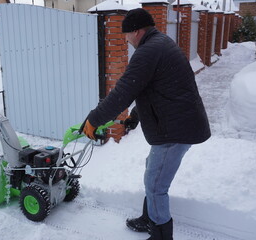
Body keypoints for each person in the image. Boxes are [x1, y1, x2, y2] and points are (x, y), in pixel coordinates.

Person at [81, 8, 211, 240]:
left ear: (137, 31)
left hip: (176, 129)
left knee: (155, 184)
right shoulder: (160, 44)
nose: (125, 39)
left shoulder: (148, 51)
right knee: (153, 170)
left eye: (126, 34)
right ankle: (150, 217)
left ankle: (161, 234)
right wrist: (135, 116)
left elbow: (122, 92)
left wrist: (93, 119)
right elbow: (156, 88)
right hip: (177, 123)